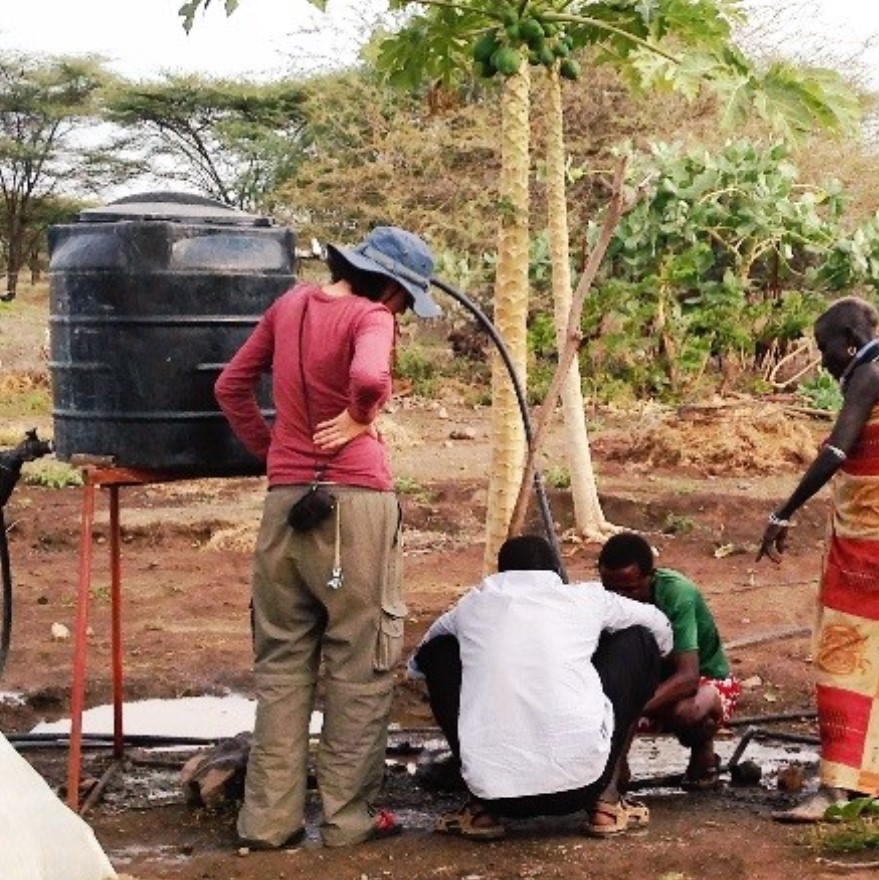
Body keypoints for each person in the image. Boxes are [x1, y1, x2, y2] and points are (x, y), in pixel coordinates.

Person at [214, 226, 442, 849]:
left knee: (283, 665)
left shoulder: (288, 306)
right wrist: (361, 416)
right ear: (394, 289)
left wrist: (277, 456)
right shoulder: (372, 317)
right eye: (405, 302)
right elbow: (369, 379)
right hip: (356, 507)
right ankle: (347, 821)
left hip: (286, 506)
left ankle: (266, 822)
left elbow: (230, 386)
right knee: (359, 663)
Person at [757, 297, 879, 822]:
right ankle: (875, 777)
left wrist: (785, 512)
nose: (822, 358)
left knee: (845, 656)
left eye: (824, 346)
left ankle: (835, 789)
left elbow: (836, 450)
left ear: (849, 339)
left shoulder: (870, 377)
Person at [408, 535, 674, 839]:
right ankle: (606, 805)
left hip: (496, 794)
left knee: (440, 652)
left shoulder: (471, 605)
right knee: (639, 639)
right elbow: (660, 626)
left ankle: (481, 813)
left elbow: (418, 661)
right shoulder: (587, 598)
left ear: (501, 572)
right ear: (555, 572)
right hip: (585, 784)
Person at [597, 532, 738, 789]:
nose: (620, 598)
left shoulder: (676, 594)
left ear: (651, 577)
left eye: (629, 589)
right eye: (611, 589)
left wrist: (628, 707)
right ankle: (614, 772)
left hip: (703, 681)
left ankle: (702, 748)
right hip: (652, 682)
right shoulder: (601, 600)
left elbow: (688, 678)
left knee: (684, 711)